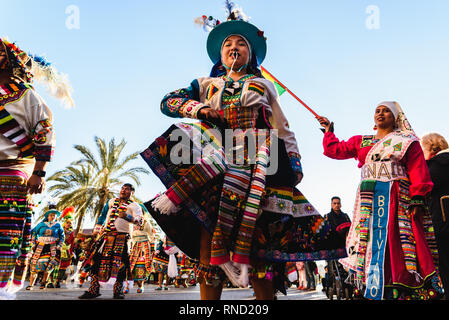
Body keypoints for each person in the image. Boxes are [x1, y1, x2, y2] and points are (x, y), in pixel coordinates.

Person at [142, 2, 346, 300]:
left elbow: (283, 127)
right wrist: (199, 109)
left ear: (251, 55)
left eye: (241, 43)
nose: (233, 46)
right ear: (220, 55)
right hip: (214, 164)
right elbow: (167, 102)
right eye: (227, 43)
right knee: (209, 233)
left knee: (261, 240)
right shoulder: (205, 84)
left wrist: (294, 164)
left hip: (260, 166)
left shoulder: (264, 86)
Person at [317, 101, 444, 300]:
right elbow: (336, 150)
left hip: (396, 197)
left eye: (386, 111)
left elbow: (418, 168)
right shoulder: (362, 140)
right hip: (368, 200)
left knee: (395, 240)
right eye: (377, 111)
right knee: (368, 240)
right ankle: (374, 284)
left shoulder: (406, 140)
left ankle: (402, 284)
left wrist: (418, 197)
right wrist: (328, 132)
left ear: (396, 118)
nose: (381, 113)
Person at [0, 38, 73, 299]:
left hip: (13, 170)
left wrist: (39, 172)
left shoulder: (24, 94)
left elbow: (44, 131)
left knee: (5, 239)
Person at [78, 183, 143, 299]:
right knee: (95, 260)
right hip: (106, 236)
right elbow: (103, 216)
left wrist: (128, 217)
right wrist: (96, 231)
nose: (123, 191)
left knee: (121, 264)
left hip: (122, 238)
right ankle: (93, 290)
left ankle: (118, 292)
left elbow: (140, 221)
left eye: (127, 189)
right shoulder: (112, 201)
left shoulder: (135, 206)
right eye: (122, 188)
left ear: (132, 193)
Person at [421, 133, 449, 299]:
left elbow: (424, 186)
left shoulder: (436, 165)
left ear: (431, 147)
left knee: (445, 263)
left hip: (443, 219)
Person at [27, 208, 65, 290]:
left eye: (54, 215)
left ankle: (43, 283)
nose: (52, 217)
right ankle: (31, 285)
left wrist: (60, 245)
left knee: (49, 266)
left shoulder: (58, 225)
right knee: (34, 265)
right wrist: (33, 243)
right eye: (51, 215)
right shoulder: (41, 225)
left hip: (53, 248)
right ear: (47, 216)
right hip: (40, 247)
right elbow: (33, 233)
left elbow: (62, 236)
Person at [128, 208, 155, 293]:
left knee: (141, 265)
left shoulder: (146, 223)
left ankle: (141, 285)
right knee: (130, 265)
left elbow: (151, 235)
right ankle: (127, 286)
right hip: (133, 245)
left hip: (144, 246)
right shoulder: (130, 223)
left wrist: (153, 248)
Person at [52, 207, 76, 288]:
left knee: (63, 268)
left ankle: (58, 281)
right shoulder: (60, 230)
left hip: (67, 253)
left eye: (70, 223)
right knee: (55, 267)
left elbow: (72, 243)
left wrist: (71, 252)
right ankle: (51, 281)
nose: (69, 224)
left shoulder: (72, 233)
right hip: (58, 251)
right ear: (64, 223)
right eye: (68, 223)